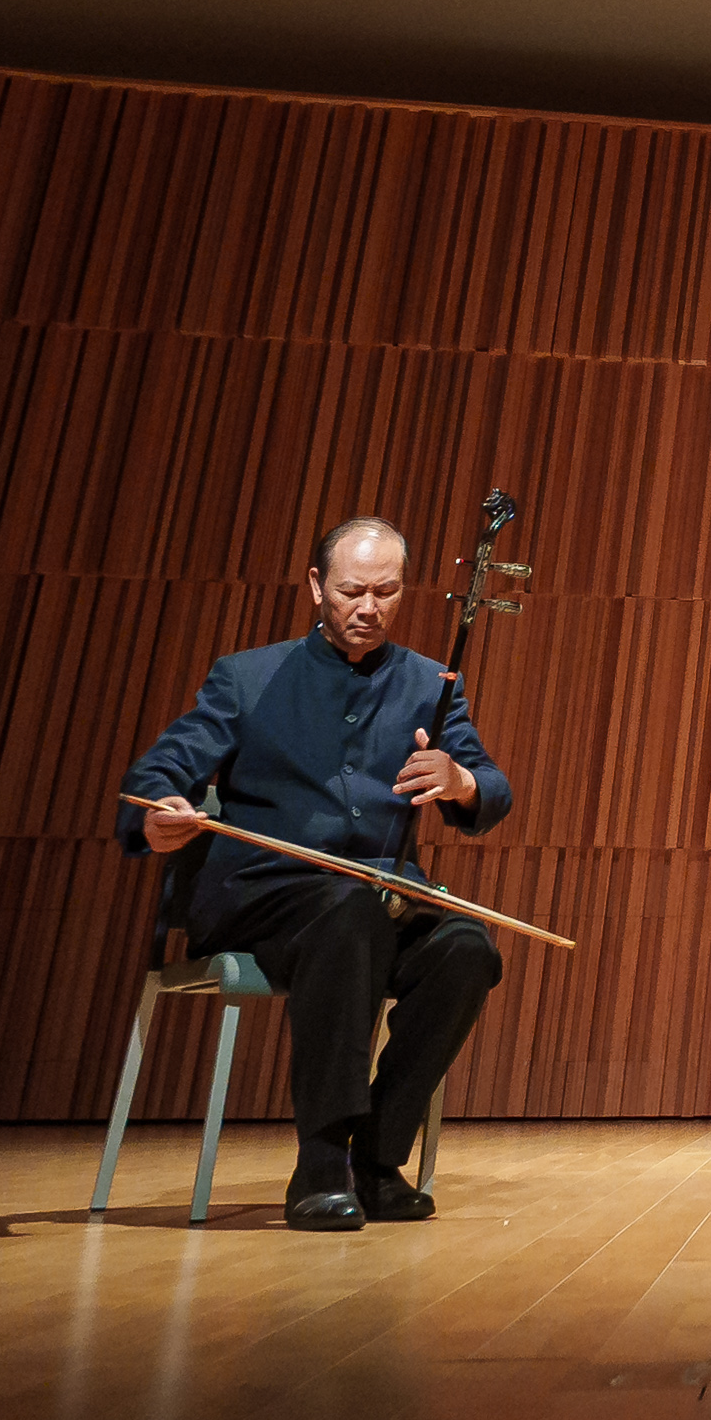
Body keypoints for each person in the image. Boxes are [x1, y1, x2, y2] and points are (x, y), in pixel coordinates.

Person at [122, 515, 512, 1233]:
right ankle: (321, 1163)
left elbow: (490, 787)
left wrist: (460, 781)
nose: (369, 608)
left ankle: (377, 1158)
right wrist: (161, 809)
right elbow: (161, 770)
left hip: (377, 897)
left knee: (466, 950)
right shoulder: (248, 676)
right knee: (348, 911)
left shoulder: (432, 682)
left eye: (386, 592)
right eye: (351, 590)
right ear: (314, 587)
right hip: (264, 896)